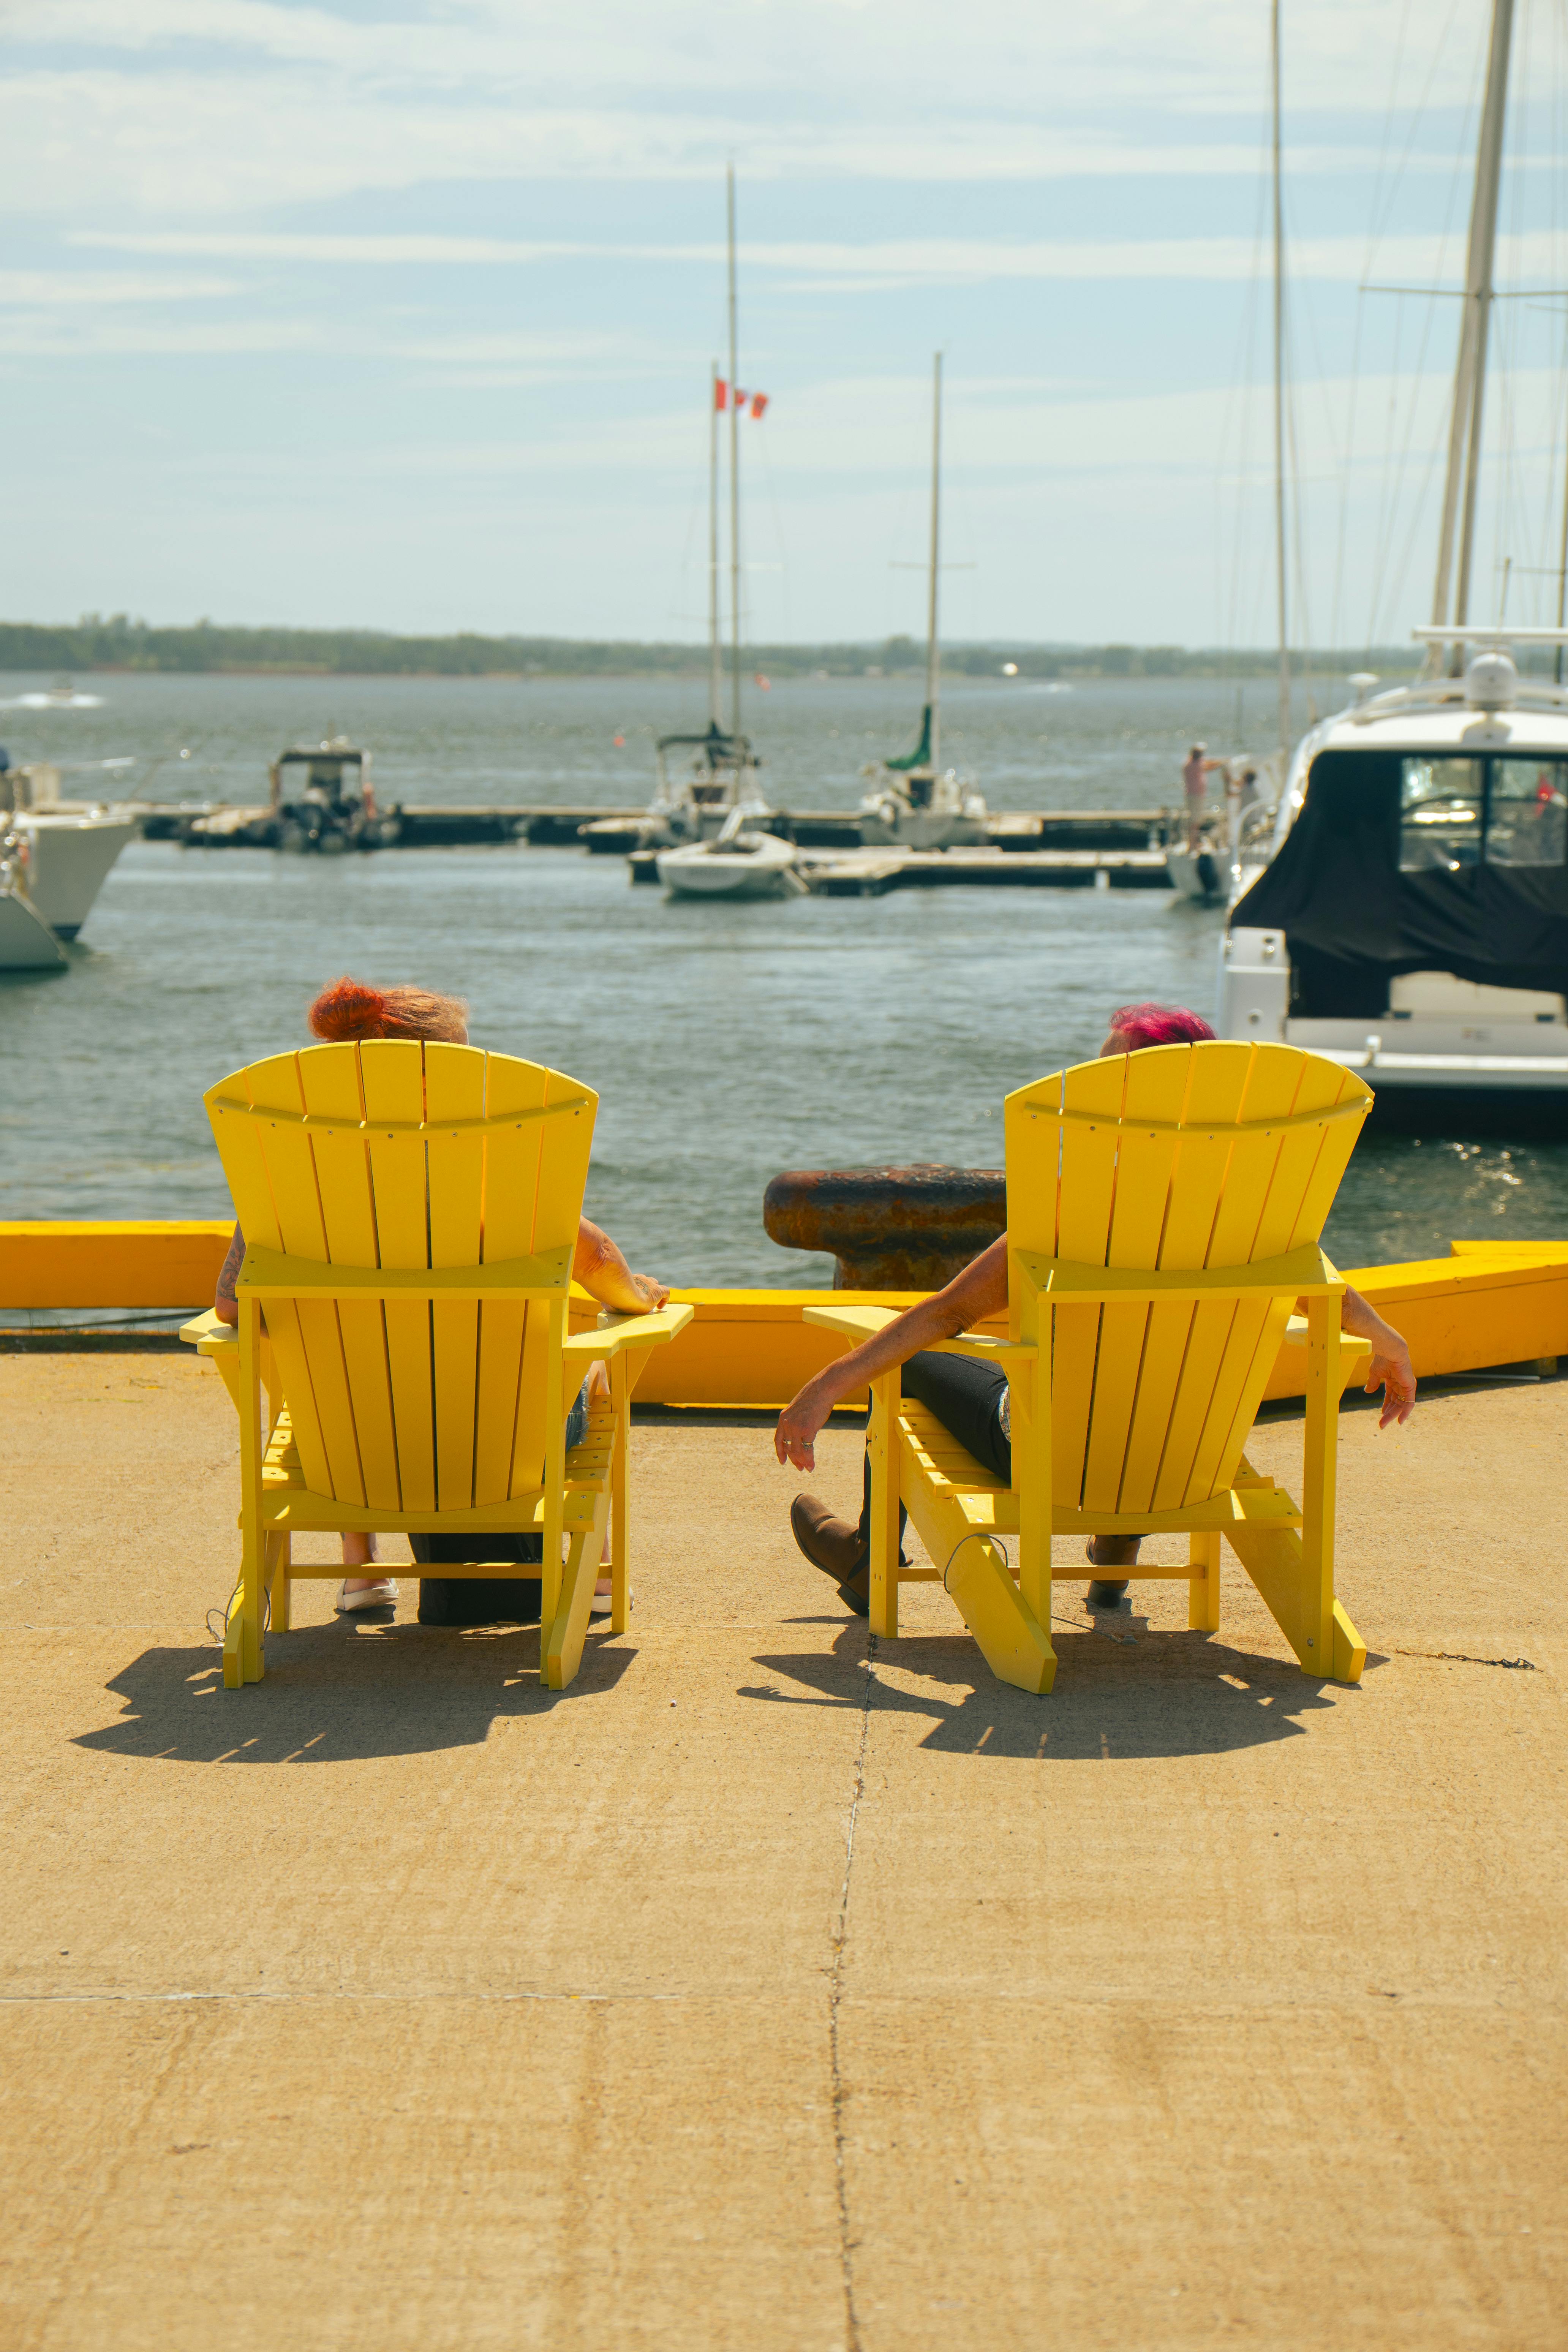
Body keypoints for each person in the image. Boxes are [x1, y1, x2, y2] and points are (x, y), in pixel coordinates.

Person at [777, 1002, 1417, 1617]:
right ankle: (1115, 1548)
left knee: (913, 1363)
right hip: (1188, 1460)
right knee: (1147, 1397)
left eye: (1113, 1077)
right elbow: (1325, 1287)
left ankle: (867, 1556)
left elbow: (947, 1315)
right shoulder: (1252, 1210)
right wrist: (1391, 1344)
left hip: (1051, 1462)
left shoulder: (1067, 1210)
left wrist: (826, 1385)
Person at [212, 977, 669, 1621]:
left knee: (334, 1385)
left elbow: (231, 1308)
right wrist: (640, 1298)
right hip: (500, 1452)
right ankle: (595, 1580)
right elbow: (593, 1258)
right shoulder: (491, 1165)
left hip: (349, 1452)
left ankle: (362, 1569)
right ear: (433, 1078)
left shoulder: (290, 1181)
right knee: (595, 1375)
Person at [1182, 743, 1225, 851]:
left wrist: (1222, 760)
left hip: (1196, 795)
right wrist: (1222, 764)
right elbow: (1208, 767)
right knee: (1195, 821)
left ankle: (1194, 843)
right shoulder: (1193, 765)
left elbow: (1208, 762)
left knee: (1196, 820)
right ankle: (1192, 845)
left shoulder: (1193, 762)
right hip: (1195, 795)